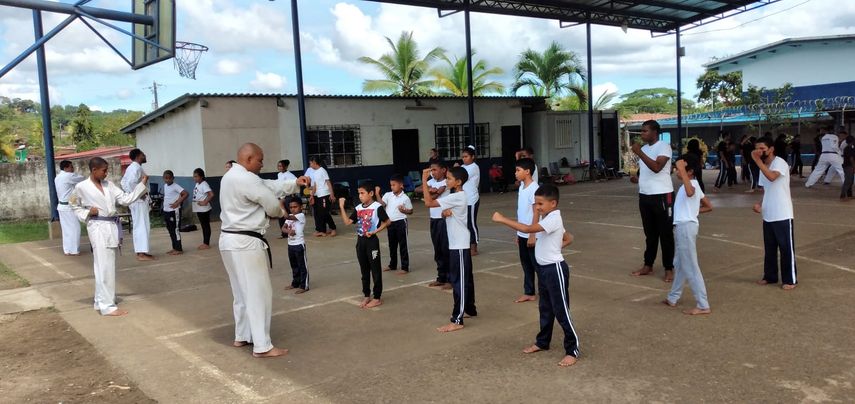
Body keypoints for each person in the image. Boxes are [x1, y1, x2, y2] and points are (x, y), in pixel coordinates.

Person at [219, 143, 309, 358]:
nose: (262, 164)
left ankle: (242, 335)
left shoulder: (231, 176)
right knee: (258, 293)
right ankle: (262, 346)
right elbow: (272, 206)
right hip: (246, 243)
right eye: (260, 160)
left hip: (228, 240)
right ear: (248, 159)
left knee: (241, 292)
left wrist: (294, 184)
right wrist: (280, 210)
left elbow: (266, 185)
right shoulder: (246, 179)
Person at [491, 184, 579, 367]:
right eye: (535, 204)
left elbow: (528, 230)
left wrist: (502, 219)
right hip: (544, 270)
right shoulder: (549, 218)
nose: (537, 207)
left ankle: (572, 350)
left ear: (553, 203)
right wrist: (556, 245)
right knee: (545, 308)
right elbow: (568, 237)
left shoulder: (553, 218)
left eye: (540, 204)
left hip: (555, 270)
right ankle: (542, 342)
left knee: (561, 311)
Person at [70, 157, 148, 316]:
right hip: (97, 226)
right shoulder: (81, 187)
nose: (106, 174)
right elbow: (73, 204)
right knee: (105, 267)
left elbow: (126, 199)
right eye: (104, 171)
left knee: (102, 266)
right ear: (94, 170)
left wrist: (142, 185)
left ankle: (100, 301)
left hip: (111, 226)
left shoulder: (109, 185)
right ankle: (108, 306)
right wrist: (87, 212)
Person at [422, 166, 477, 333]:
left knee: (458, 282)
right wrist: (446, 213)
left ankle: (457, 319)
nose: (447, 181)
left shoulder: (458, 196)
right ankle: (469, 309)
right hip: (458, 243)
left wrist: (424, 180)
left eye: (450, 179)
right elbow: (450, 212)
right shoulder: (456, 196)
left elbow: (428, 203)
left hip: (458, 245)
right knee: (465, 278)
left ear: (458, 182)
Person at [663, 154, 713, 315]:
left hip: (686, 227)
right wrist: (694, 212)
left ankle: (703, 304)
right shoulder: (692, 184)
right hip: (683, 227)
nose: (677, 171)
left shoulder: (690, 184)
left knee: (690, 265)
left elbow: (691, 193)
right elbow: (708, 206)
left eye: (680, 168)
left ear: (689, 171)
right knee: (680, 264)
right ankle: (673, 297)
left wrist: (683, 170)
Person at [630, 120, 675, 282]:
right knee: (650, 233)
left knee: (666, 233)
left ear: (654, 132)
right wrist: (638, 178)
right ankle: (648, 264)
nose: (642, 134)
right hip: (645, 195)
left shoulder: (663, 146)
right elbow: (646, 171)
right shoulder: (644, 149)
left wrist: (639, 153)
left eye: (645, 131)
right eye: (641, 131)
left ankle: (669, 268)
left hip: (662, 195)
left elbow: (657, 167)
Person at [751, 137, 797, 290]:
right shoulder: (763, 166)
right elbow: (766, 189)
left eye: (762, 148)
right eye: (757, 149)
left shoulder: (780, 162)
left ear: (771, 149)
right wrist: (761, 203)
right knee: (770, 248)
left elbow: (772, 177)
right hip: (769, 213)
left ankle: (790, 279)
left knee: (786, 248)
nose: (759, 152)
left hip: (783, 213)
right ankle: (770, 276)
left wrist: (757, 161)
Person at [338, 182, 389, 308]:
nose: (360, 196)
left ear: (371, 194)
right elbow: (347, 222)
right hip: (360, 242)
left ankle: (377, 297)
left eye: (362, 193)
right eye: (359, 193)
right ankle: (367, 295)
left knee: (375, 270)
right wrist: (342, 207)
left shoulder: (377, 207)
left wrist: (374, 231)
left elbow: (387, 221)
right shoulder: (358, 208)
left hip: (372, 241)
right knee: (364, 270)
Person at [512, 158, 539, 303]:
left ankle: (546, 290)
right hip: (522, 232)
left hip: (531, 233)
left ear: (527, 172)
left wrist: (532, 234)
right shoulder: (522, 187)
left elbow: (536, 212)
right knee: (526, 264)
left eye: (518, 170)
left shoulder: (534, 189)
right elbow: (521, 211)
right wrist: (518, 232)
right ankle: (529, 292)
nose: (515, 173)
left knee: (537, 263)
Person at [121, 149, 154, 261]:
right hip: (138, 202)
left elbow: (124, 183)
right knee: (141, 226)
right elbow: (130, 183)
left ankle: (142, 251)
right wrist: (139, 194)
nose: (145, 156)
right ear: (138, 156)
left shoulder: (134, 167)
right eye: (143, 154)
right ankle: (141, 254)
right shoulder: (135, 167)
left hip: (138, 201)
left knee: (142, 226)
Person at [377, 175, 413, 274]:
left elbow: (411, 211)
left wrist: (404, 210)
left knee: (403, 245)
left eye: (394, 185)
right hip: (390, 223)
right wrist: (377, 194)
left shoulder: (405, 198)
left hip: (401, 222)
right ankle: (392, 265)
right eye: (391, 185)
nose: (392, 187)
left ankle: (405, 267)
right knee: (392, 245)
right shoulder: (388, 195)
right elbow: (382, 204)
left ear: (401, 185)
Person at [426, 161, 451, 289]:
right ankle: (441, 277)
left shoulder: (447, 182)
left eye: (435, 169)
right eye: (431, 170)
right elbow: (417, 188)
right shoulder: (431, 182)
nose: (432, 172)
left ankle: (450, 279)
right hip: (434, 219)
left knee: (446, 248)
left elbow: (437, 194)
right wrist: (429, 188)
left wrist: (430, 191)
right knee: (438, 250)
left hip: (444, 219)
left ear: (443, 170)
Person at [55, 160, 86, 256]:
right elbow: (82, 178)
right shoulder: (68, 176)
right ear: (66, 168)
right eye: (71, 167)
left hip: (61, 206)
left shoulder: (58, 177)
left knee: (66, 229)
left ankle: (67, 249)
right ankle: (74, 250)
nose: (72, 169)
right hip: (68, 207)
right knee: (75, 228)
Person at [282, 198, 309, 293]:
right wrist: (289, 231)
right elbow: (283, 228)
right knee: (294, 265)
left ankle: (304, 285)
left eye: (295, 207)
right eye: (290, 207)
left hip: (299, 244)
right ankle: (295, 283)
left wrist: (281, 206)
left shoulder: (301, 215)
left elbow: (287, 218)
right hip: (290, 244)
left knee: (302, 265)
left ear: (301, 207)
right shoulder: (290, 216)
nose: (293, 209)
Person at [308, 156, 337, 237]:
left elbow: (328, 182)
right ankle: (322, 231)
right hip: (318, 196)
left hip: (324, 195)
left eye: (310, 163)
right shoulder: (315, 172)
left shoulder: (322, 170)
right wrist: (312, 195)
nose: (310, 165)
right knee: (320, 214)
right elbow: (315, 185)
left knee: (325, 213)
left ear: (314, 162)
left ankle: (333, 228)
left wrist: (332, 194)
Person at [161, 170, 188, 255]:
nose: (167, 180)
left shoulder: (176, 186)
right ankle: (174, 248)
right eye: (166, 178)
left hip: (174, 212)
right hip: (167, 211)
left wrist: (177, 203)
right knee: (170, 230)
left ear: (173, 178)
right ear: (163, 178)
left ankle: (179, 249)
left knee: (175, 230)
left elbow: (186, 194)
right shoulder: (165, 186)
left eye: (169, 178)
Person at [461, 146, 481, 255]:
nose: (464, 159)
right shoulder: (463, 166)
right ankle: (467, 244)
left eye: (466, 156)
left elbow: (461, 176)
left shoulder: (474, 167)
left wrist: (455, 169)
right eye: (463, 157)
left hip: (472, 199)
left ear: (472, 157)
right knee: (464, 223)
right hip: (463, 199)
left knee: (471, 223)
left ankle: (474, 246)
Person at [192, 168, 214, 250]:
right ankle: (205, 242)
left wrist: (204, 202)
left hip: (204, 209)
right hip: (199, 209)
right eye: (193, 176)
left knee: (205, 226)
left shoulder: (204, 184)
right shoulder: (198, 184)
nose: (194, 178)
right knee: (203, 225)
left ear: (201, 177)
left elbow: (211, 194)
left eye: (196, 176)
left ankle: (206, 243)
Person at [277, 159, 297, 239]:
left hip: (288, 197)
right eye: (278, 166)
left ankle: (292, 231)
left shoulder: (290, 175)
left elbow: (295, 183)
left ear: (285, 166)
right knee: (281, 215)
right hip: (281, 197)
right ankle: (284, 233)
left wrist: (292, 194)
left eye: (281, 166)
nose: (279, 167)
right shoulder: (279, 174)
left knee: (288, 215)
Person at [840, 132, 855, 200]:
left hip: (848, 166)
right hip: (848, 166)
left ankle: (849, 195)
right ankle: (842, 195)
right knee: (848, 181)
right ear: (852, 141)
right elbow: (851, 159)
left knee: (851, 181)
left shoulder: (850, 148)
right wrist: (854, 166)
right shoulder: (848, 148)